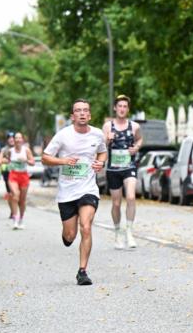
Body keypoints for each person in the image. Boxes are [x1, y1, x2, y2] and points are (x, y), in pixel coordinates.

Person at [42, 99, 107, 285]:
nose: (82, 113)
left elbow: (102, 152)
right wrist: (63, 161)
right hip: (67, 192)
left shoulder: (97, 134)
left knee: (86, 226)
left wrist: (101, 162)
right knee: (70, 235)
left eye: (85, 110)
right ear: (72, 116)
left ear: (90, 115)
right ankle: (67, 236)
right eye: (78, 110)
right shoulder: (63, 135)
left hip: (88, 188)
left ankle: (82, 271)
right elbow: (45, 157)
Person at [102, 94, 143, 249]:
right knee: (116, 203)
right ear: (115, 108)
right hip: (113, 169)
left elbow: (139, 139)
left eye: (125, 106)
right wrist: (108, 139)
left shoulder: (134, 126)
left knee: (131, 197)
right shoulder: (108, 126)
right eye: (120, 106)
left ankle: (129, 233)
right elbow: (101, 146)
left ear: (128, 109)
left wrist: (136, 148)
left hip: (129, 167)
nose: (122, 109)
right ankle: (118, 232)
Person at [6, 132, 34, 229]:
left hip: (24, 176)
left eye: (19, 138)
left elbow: (32, 162)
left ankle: (21, 219)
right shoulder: (10, 151)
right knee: (15, 195)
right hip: (13, 175)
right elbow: (8, 160)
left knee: (22, 200)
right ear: (14, 140)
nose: (18, 140)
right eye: (16, 138)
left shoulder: (26, 150)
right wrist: (7, 164)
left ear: (22, 140)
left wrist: (25, 160)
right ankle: (15, 219)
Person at [0, 133, 16, 219]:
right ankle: (13, 211)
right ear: (7, 140)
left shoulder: (19, 148)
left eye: (13, 138)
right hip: (7, 173)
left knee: (16, 193)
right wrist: (7, 160)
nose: (11, 139)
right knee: (10, 193)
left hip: (18, 173)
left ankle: (15, 211)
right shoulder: (4, 150)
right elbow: (0, 159)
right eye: (9, 138)